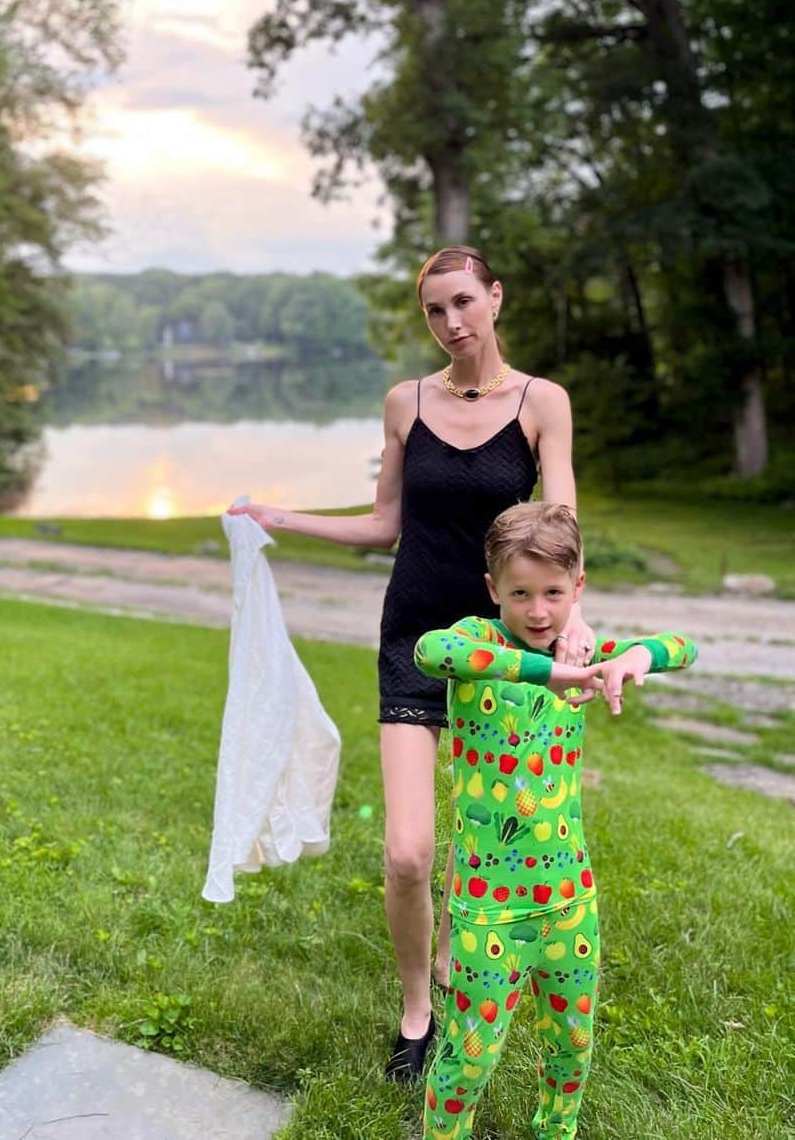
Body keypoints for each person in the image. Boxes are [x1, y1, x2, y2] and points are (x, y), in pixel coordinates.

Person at [229, 245, 595, 1079]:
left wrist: (573, 622)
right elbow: (384, 522)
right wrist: (282, 514)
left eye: (464, 302)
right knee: (407, 852)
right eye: (435, 310)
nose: (452, 323)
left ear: (496, 298)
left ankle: (475, 972)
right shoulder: (406, 402)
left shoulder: (544, 404)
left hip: (506, 653)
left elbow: (562, 522)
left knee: (491, 841)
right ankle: (418, 1006)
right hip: (413, 638)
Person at [413, 501, 697, 1139]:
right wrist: (557, 671)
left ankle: (556, 1132)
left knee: (572, 1049)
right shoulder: (480, 642)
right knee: (469, 1059)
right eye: (519, 593)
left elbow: (687, 645)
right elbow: (433, 651)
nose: (538, 612)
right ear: (493, 589)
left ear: (578, 588)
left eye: (553, 593)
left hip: (570, 899)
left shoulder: (587, 645)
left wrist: (634, 660)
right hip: (489, 908)